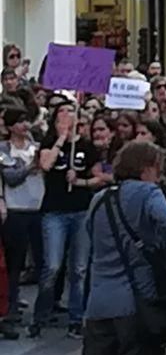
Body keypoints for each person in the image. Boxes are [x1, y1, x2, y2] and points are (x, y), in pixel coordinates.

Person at [81, 141, 166, 355]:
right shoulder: (147, 192)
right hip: (135, 301)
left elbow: (90, 232)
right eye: (157, 168)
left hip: (98, 303)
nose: (158, 176)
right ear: (146, 167)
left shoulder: (100, 198)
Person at [33, 102, 102, 338]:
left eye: (71, 111)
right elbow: (45, 164)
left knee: (80, 268)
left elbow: (99, 177)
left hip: (81, 210)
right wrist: (61, 138)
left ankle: (76, 317)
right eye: (62, 112)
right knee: (52, 265)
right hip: (54, 211)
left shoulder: (87, 147)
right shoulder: (48, 143)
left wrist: (80, 181)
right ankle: (40, 315)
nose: (66, 115)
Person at [0, 104, 43, 334]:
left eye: (26, 120)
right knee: (15, 261)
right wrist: (30, 167)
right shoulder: (3, 150)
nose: (24, 125)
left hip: (38, 208)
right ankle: (12, 304)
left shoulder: (36, 147)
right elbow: (11, 176)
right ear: (9, 127)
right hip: (16, 209)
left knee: (41, 259)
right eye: (19, 121)